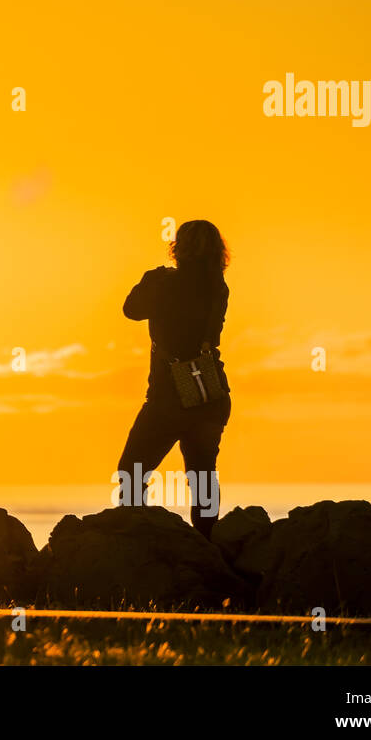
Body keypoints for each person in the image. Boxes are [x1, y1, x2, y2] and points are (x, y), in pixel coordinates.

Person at [117, 219, 231, 538]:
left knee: (132, 471)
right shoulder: (217, 288)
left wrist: (153, 278)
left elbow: (131, 310)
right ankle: (208, 544)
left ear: (177, 249)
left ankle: (135, 538)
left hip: (168, 399)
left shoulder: (162, 282)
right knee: (203, 478)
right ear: (218, 253)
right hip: (210, 393)